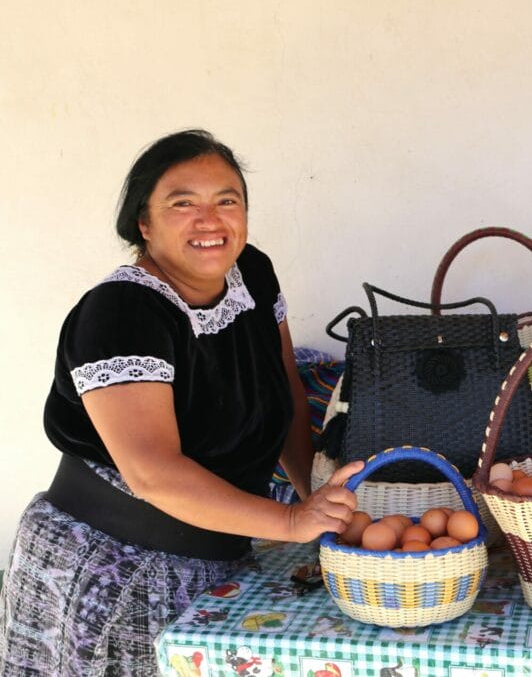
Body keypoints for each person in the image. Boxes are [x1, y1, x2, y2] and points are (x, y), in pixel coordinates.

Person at [0, 130, 365, 674]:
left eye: (227, 200)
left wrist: (317, 501)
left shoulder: (252, 273)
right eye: (182, 203)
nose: (209, 221)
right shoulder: (121, 313)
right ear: (143, 225)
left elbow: (285, 387)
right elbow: (154, 472)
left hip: (220, 556)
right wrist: (291, 522)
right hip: (114, 569)